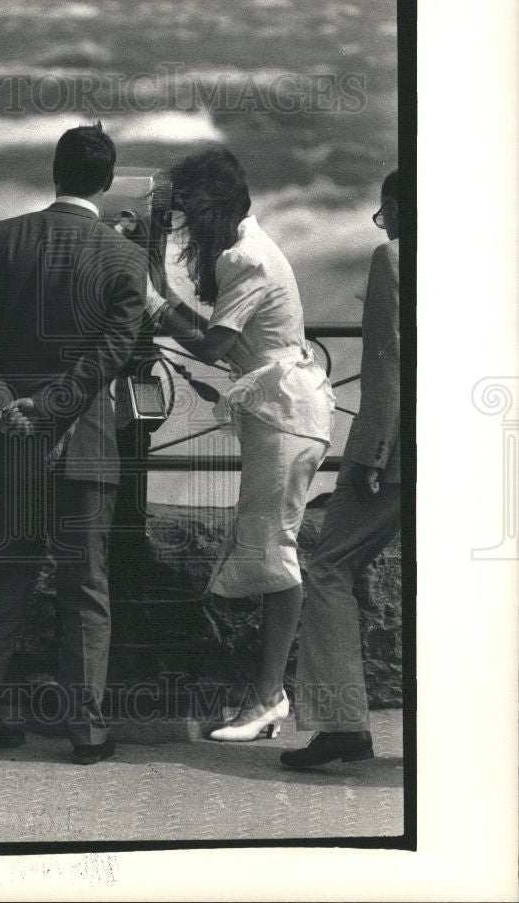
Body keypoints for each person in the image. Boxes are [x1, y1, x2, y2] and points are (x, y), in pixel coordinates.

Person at [0, 123, 147, 764]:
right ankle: (86, 734)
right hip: (83, 446)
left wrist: (3, 402)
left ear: (54, 172)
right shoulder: (124, 257)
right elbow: (114, 350)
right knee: (84, 591)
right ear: (108, 181)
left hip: (8, 443)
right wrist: (57, 404)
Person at [147, 148, 335, 741]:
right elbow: (224, 342)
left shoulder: (246, 258)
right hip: (282, 410)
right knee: (265, 546)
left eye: (184, 209)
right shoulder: (245, 248)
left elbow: (210, 348)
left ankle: (267, 699)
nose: (180, 224)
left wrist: (155, 300)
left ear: (210, 207)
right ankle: (266, 693)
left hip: (286, 415)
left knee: (272, 550)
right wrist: (162, 294)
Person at [281, 170, 400, 769]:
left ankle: (339, 724)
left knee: (329, 567)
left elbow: (388, 361)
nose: (385, 225)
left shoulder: (395, 257)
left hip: (401, 452)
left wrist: (371, 454)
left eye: (386, 212)